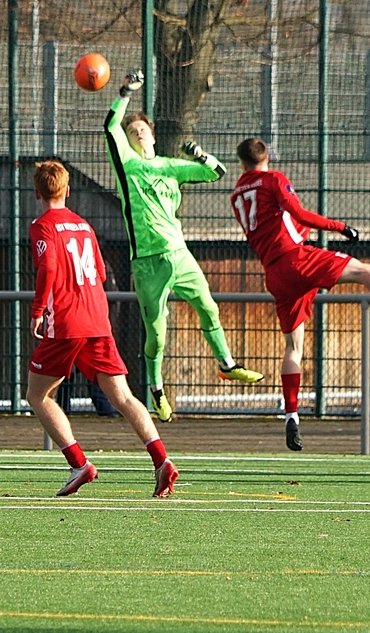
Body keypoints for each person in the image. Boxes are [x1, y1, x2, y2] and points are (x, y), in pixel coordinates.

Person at [231, 138, 370, 451]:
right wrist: (340, 227)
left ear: (241, 163)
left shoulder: (237, 194)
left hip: (274, 274)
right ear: (268, 157)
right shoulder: (273, 179)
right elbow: (298, 213)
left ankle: (291, 414)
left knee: (293, 347)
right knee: (365, 272)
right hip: (297, 258)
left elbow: (277, 222)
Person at [104, 71, 262, 423]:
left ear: (153, 135)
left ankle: (227, 364)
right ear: (127, 141)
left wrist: (200, 155)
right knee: (156, 336)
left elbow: (216, 172)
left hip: (179, 254)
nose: (138, 132)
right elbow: (110, 126)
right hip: (147, 262)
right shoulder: (126, 164)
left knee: (208, 307)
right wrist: (125, 93)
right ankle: (157, 390)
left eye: (142, 129)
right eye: (133, 131)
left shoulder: (171, 167)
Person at [26, 160, 177, 497]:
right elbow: (101, 273)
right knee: (123, 396)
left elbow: (48, 265)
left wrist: (38, 310)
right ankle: (161, 460)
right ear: (68, 190)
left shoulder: (42, 226)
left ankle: (79, 464)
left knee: (37, 395)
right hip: (97, 319)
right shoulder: (84, 225)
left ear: (37, 193)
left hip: (66, 323)